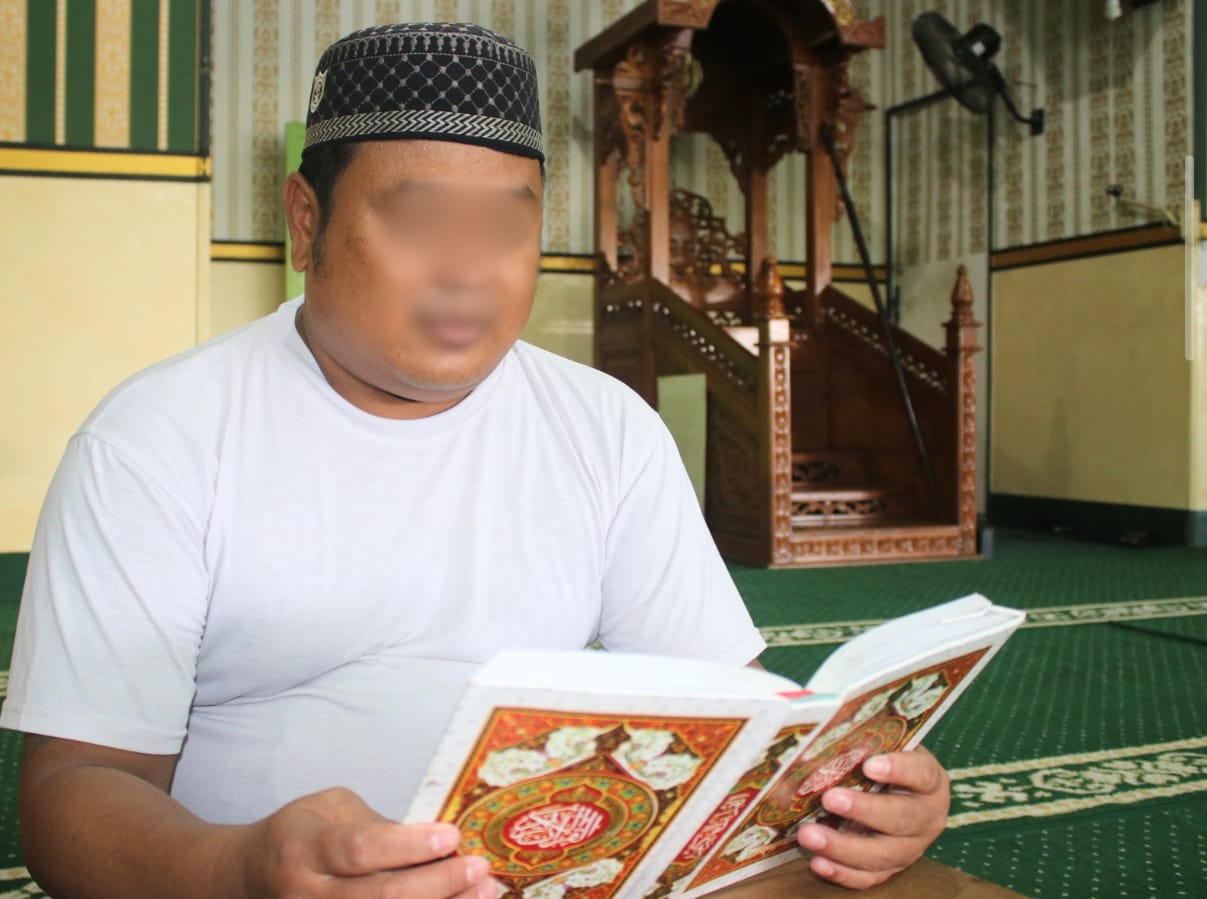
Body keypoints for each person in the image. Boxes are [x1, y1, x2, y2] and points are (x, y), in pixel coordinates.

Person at [1, 23, 949, 898]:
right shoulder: (156, 440)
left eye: (504, 227)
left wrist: (859, 799)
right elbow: (73, 790)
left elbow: (736, 712)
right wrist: (241, 869)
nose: (466, 270)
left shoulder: (603, 427)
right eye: (419, 221)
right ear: (306, 220)